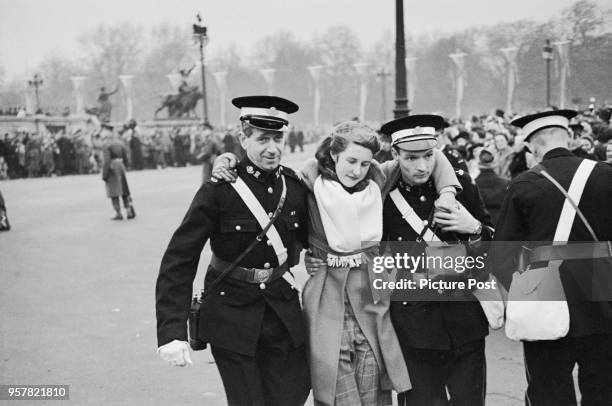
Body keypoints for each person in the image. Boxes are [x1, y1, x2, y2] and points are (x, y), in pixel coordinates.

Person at [212, 125, 463, 406]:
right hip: (327, 295)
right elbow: (264, 170)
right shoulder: (310, 178)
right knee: (336, 388)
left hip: (370, 297)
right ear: (334, 154)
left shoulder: (379, 177)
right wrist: (227, 159)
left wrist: (449, 192)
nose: (357, 170)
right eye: (351, 161)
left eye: (365, 163)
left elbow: (434, 155)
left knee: (372, 385)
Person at [156, 96, 311, 406]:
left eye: (277, 138)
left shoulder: (293, 188)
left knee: (291, 395)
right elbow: (180, 258)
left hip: (282, 313)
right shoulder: (219, 189)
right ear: (243, 138)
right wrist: (171, 331)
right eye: (262, 139)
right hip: (232, 317)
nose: (272, 148)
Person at [492, 110, 612, 405]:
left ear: (532, 147)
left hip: (545, 293)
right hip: (604, 291)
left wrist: (525, 287)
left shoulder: (523, 183)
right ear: (569, 138)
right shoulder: (606, 174)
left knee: (549, 390)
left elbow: (501, 256)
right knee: (604, 388)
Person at [379, 114, 493, 406]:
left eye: (429, 156)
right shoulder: (381, 193)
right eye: (411, 157)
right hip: (412, 324)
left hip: (464, 318)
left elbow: (494, 248)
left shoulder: (460, 186)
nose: (422, 166)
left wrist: (475, 229)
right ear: (395, 154)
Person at [101, 124, 136, 220]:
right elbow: (126, 157)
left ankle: (118, 213)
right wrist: (125, 165)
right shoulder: (120, 142)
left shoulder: (106, 144)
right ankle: (128, 211)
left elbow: (106, 161)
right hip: (121, 166)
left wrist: (104, 174)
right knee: (124, 190)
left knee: (114, 191)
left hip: (112, 167)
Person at [474, 147, 509, 225]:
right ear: (495, 163)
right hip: (501, 226)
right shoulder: (506, 184)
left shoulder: (473, 185)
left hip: (481, 227)